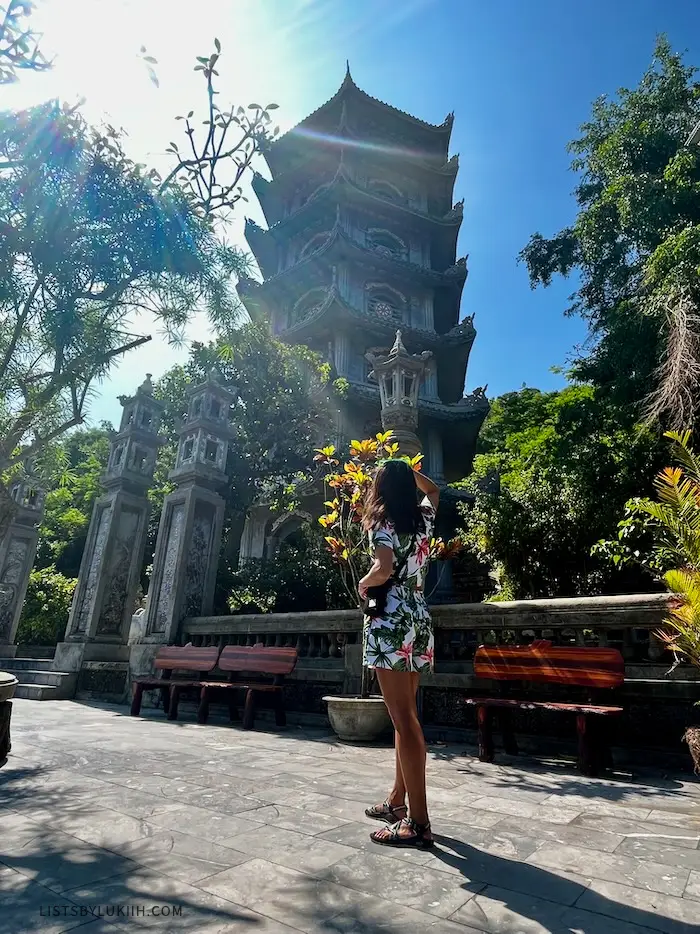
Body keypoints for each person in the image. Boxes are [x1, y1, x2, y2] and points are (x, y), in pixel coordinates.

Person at [358, 458, 440, 849]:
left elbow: (384, 567)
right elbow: (434, 491)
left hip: (390, 619)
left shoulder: (382, 521)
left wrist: (364, 581)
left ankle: (418, 822)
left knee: (403, 719)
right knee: (405, 716)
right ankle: (397, 799)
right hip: (418, 617)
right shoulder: (423, 519)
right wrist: (408, 473)